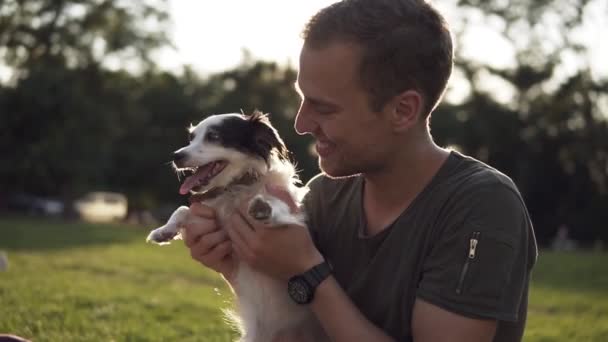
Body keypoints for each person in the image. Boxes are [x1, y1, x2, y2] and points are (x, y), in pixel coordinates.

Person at [183, 0, 538, 341]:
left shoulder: (481, 206)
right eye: (302, 99)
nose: (302, 124)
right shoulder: (324, 196)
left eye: (324, 108)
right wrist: (238, 261)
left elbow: (304, 275)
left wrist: (309, 271)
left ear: (403, 110)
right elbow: (289, 333)